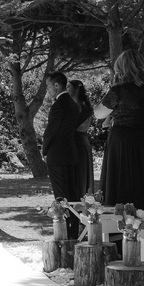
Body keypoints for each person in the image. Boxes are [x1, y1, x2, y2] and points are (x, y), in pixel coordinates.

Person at [94, 49, 144, 210]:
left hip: (124, 142)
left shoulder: (119, 90)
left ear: (121, 69)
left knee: (124, 183)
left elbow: (98, 113)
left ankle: (123, 228)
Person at [43, 71, 80, 239]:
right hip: (71, 152)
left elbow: (52, 131)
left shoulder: (59, 105)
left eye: (49, 86)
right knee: (71, 194)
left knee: (61, 194)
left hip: (57, 155)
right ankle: (72, 229)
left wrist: (44, 149)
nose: (48, 90)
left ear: (57, 85)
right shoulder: (73, 104)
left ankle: (64, 230)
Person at [67, 79, 95, 198]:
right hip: (70, 141)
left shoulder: (86, 107)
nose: (67, 89)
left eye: (69, 87)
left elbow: (83, 126)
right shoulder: (67, 105)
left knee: (82, 174)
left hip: (80, 141)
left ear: (76, 89)